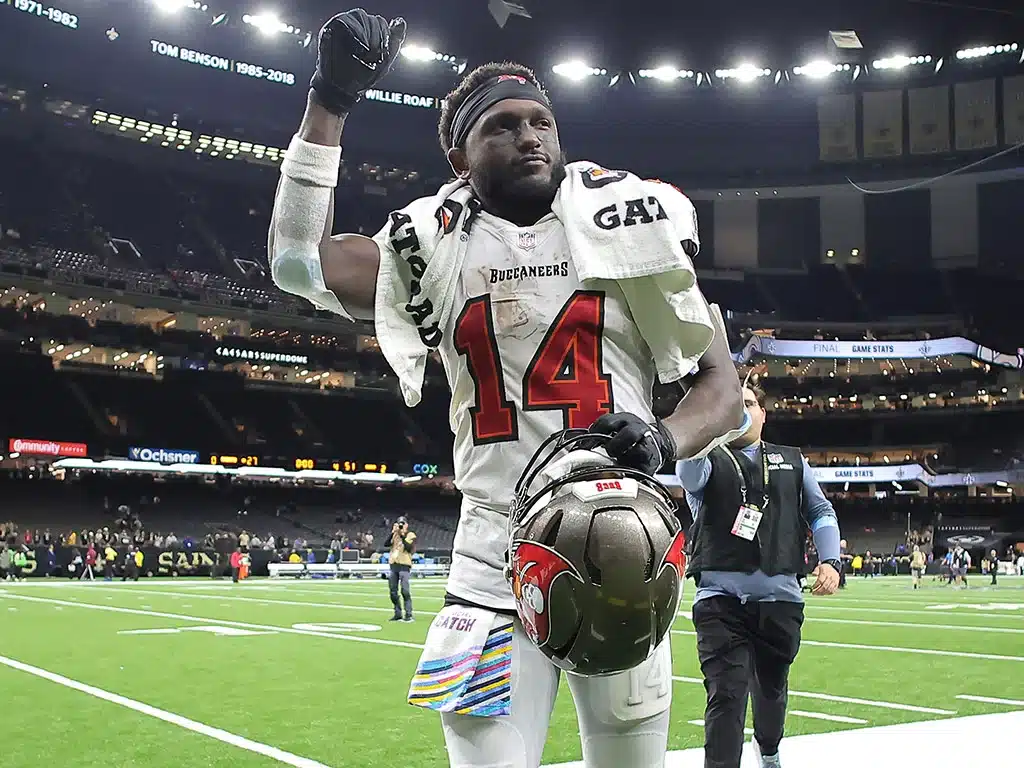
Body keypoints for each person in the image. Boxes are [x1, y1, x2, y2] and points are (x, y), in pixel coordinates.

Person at [268, 10, 746, 768]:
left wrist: (664, 439)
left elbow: (724, 388)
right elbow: (298, 262)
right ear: (460, 153)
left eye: (542, 122)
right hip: (490, 554)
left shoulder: (629, 224)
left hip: (625, 543)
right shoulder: (432, 242)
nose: (530, 136)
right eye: (503, 126)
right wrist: (328, 100)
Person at [676, 379, 842, 768]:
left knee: (771, 693)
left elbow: (821, 512)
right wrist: (708, 420)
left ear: (763, 413)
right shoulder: (707, 458)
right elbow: (687, 475)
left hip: (780, 600)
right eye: (735, 404)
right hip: (720, 601)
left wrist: (831, 560)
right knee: (726, 694)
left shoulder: (793, 460)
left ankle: (768, 750)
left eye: (748, 402)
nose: (742, 410)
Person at [388, 516, 417, 622]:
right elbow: (386, 544)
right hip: (394, 565)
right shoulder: (395, 535)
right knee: (393, 592)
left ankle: (408, 614)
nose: (401, 526)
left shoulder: (410, 535)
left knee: (405, 591)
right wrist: (393, 533)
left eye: (402, 524)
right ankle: (397, 613)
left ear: (406, 525)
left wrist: (402, 535)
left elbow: (409, 548)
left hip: (404, 565)